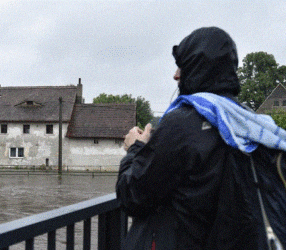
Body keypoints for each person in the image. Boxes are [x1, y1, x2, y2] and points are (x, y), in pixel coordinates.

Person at [116, 27, 286, 249]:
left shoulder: (181, 125)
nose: (175, 75)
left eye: (182, 66)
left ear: (198, 68)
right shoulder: (250, 123)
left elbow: (133, 195)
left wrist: (135, 149)